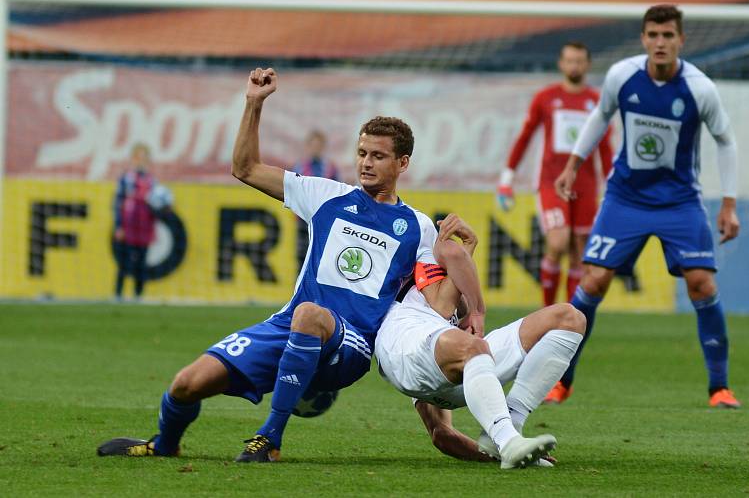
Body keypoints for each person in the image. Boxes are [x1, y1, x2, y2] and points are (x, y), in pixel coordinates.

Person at [97, 67, 470, 462]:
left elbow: (441, 305)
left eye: (378, 156)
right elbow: (246, 169)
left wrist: (463, 258)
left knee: (310, 314)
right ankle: (164, 445)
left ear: (402, 163)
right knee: (187, 383)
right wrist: (253, 104)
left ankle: (269, 438)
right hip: (288, 324)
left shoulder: (417, 226)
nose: (366, 163)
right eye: (362, 153)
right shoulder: (326, 196)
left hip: (355, 343)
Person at [552, 5, 741, 408]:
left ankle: (720, 388)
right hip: (625, 198)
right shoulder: (623, 75)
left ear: (680, 41)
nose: (660, 43)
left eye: (668, 36)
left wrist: (728, 203)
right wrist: (573, 164)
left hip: (680, 202)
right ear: (643, 39)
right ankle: (560, 381)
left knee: (702, 284)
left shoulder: (699, 88)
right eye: (653, 35)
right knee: (593, 282)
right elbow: (599, 117)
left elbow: (726, 141)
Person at [375, 214, 586, 469]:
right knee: (472, 344)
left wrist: (489, 456)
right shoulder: (419, 271)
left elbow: (442, 435)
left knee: (569, 318)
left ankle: (506, 429)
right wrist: (468, 249)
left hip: (461, 369)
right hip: (415, 353)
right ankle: (508, 440)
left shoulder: (448, 333)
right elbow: (446, 286)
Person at [497, 42, 614, 307]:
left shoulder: (597, 102)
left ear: (588, 64)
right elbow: (525, 137)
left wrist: (612, 187)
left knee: (579, 251)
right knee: (558, 241)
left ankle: (569, 316)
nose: (574, 66)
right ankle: (547, 310)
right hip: (552, 182)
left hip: (586, 185)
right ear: (561, 64)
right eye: (570, 60)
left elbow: (605, 148)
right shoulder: (546, 97)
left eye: (579, 61)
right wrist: (507, 179)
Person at [112, 143, 169, 300]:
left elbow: (156, 206)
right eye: (138, 157)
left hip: (145, 225)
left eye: (145, 157)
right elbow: (117, 203)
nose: (141, 161)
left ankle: (138, 296)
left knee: (142, 263)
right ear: (133, 159)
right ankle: (118, 295)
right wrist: (118, 226)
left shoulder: (152, 182)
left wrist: (161, 210)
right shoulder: (126, 179)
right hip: (128, 224)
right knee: (124, 262)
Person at [292, 130, 339, 273]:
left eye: (319, 145)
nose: (316, 148)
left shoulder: (330, 168)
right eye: (313, 145)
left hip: (324, 220)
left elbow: (337, 193)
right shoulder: (299, 167)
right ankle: (299, 289)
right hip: (304, 220)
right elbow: (293, 192)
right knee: (302, 255)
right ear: (308, 146)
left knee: (322, 257)